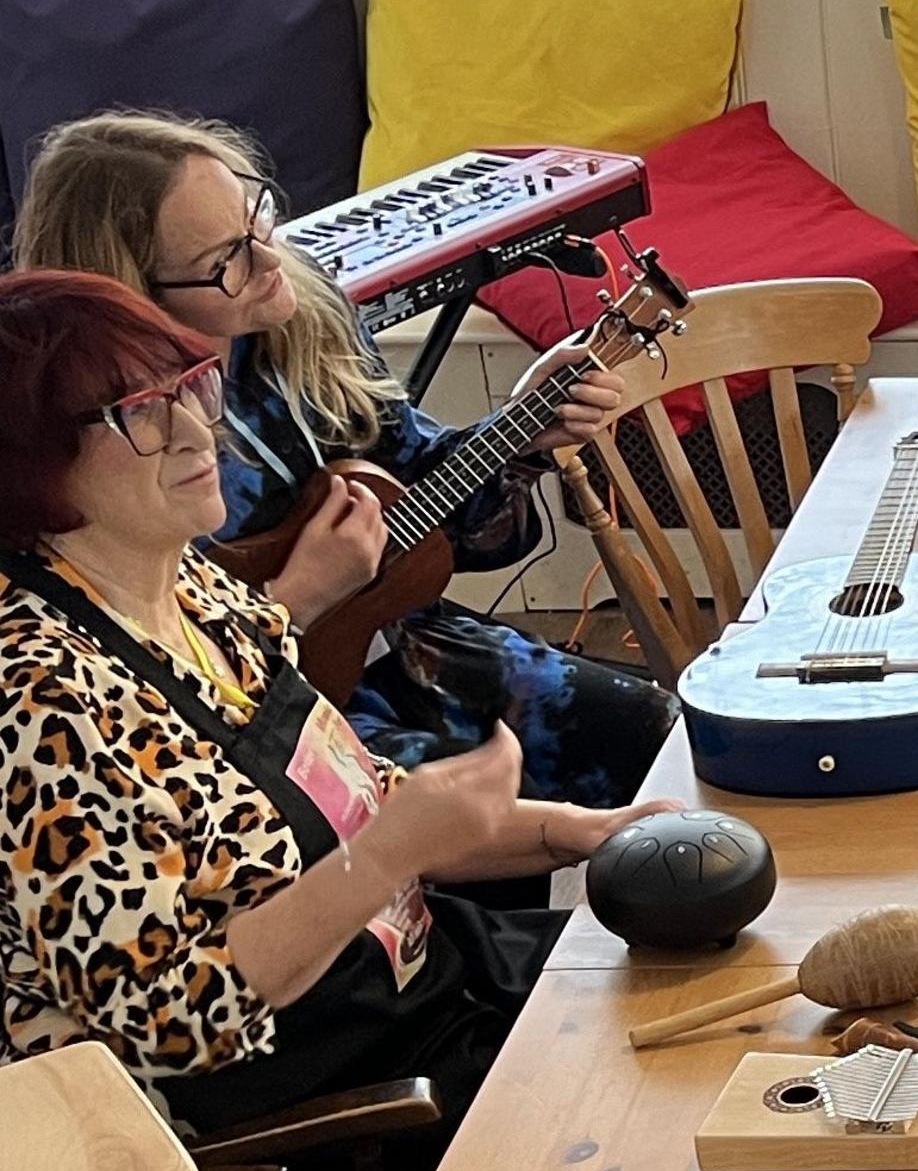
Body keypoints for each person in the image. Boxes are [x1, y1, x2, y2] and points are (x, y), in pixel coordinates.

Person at [0, 272, 676, 1171]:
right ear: (30, 461)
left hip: (412, 1000)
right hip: (305, 1137)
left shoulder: (193, 588)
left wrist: (578, 830)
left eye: (193, 383)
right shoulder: (35, 699)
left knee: (697, 986)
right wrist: (393, 853)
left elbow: (356, 805)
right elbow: (174, 1019)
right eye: (141, 412)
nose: (196, 431)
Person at [13, 112, 670, 813]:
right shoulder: (104, 438)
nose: (271, 260)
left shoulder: (307, 320)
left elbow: (422, 486)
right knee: (481, 816)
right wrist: (299, 598)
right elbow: (146, 687)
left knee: (656, 732)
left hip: (410, 645)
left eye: (255, 217)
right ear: (132, 297)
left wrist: (523, 429)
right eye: (225, 262)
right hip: (266, 726)